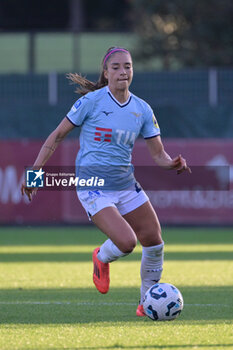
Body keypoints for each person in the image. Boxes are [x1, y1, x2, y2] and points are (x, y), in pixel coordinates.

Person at [21, 47, 191, 317]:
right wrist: (35, 173)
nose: (123, 72)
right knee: (127, 242)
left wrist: (171, 163)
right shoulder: (92, 101)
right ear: (106, 72)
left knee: (155, 241)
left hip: (125, 183)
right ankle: (101, 256)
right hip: (93, 184)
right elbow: (56, 136)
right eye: (116, 67)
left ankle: (146, 303)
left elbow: (158, 153)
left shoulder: (142, 109)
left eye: (128, 66)